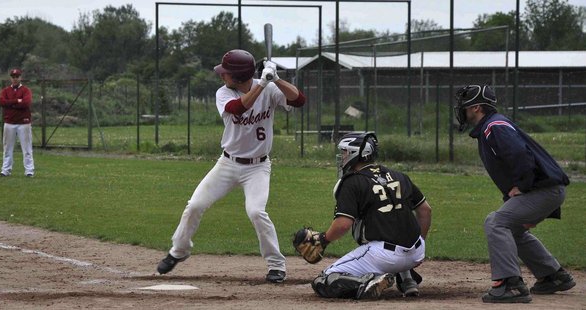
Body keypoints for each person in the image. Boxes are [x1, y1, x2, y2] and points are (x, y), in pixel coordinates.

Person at [156, 49, 306, 283]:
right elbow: (239, 108)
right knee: (195, 205)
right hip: (227, 164)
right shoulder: (223, 93)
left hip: (258, 167)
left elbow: (299, 100)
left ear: (237, 76)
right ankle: (179, 251)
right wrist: (263, 84)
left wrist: (276, 79)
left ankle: (276, 265)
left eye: (225, 73)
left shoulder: (268, 86)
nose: (221, 75)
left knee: (256, 212)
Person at [454, 84, 575, 303]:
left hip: (542, 190)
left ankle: (511, 285)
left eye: (466, 107)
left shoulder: (494, 127)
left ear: (477, 108)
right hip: (545, 190)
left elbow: (520, 155)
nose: (462, 110)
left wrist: (524, 186)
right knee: (512, 229)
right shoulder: (492, 126)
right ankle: (552, 276)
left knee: (496, 222)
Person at [309, 132, 432, 300]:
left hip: (383, 255)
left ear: (355, 153)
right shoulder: (399, 175)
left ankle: (367, 281)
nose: (341, 156)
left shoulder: (352, 181)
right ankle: (406, 277)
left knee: (324, 280)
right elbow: (425, 210)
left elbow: (343, 224)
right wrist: (420, 244)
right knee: (395, 223)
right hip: (417, 252)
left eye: (344, 152)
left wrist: (324, 239)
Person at [0, 68, 35, 177]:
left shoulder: (25, 90)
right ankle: (5, 170)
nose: (15, 79)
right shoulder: (5, 91)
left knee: (27, 148)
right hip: (9, 122)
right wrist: (16, 101)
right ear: (11, 78)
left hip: (24, 123)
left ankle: (29, 171)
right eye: (13, 77)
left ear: (20, 77)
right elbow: (2, 102)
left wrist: (10, 104)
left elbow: (26, 103)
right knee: (7, 148)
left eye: (17, 77)